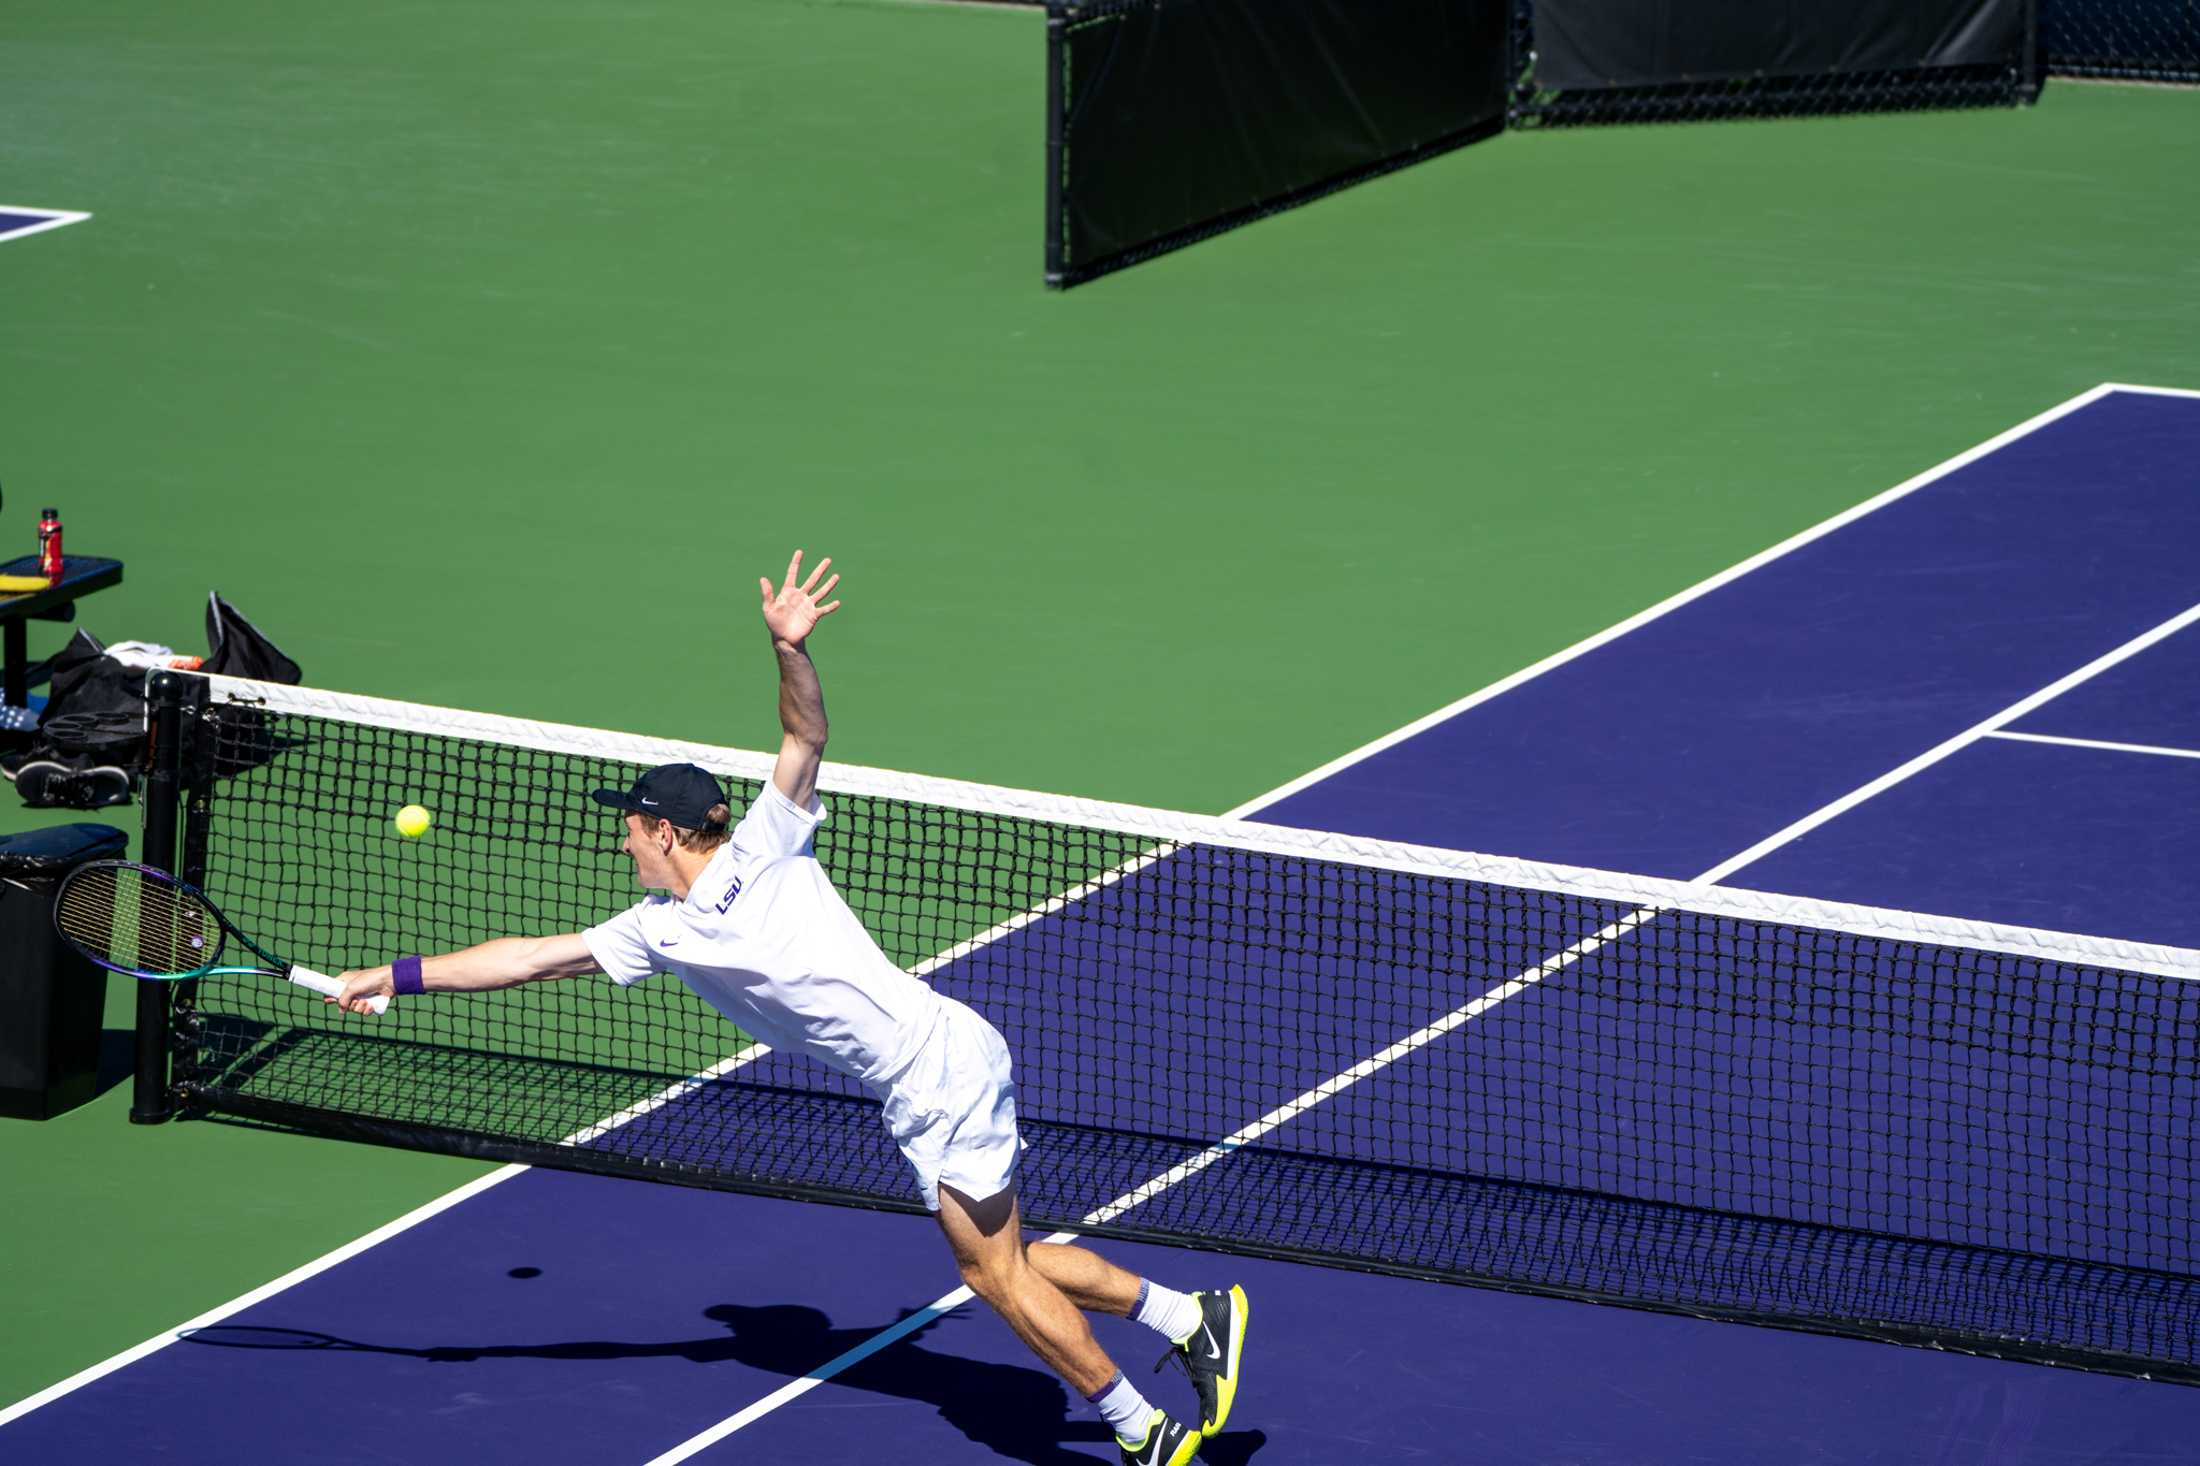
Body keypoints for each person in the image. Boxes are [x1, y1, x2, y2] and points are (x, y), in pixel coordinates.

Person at [335, 550, 1248, 1466]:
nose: (621, 844)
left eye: (629, 827)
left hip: (935, 1071)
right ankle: (1188, 1316)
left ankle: (1140, 1428)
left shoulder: (767, 845)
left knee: (992, 1276)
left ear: (663, 829)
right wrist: (398, 974)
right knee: (1006, 1257)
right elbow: (532, 958)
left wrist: (790, 650)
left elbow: (803, 739)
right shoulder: (657, 930)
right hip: (937, 1064)